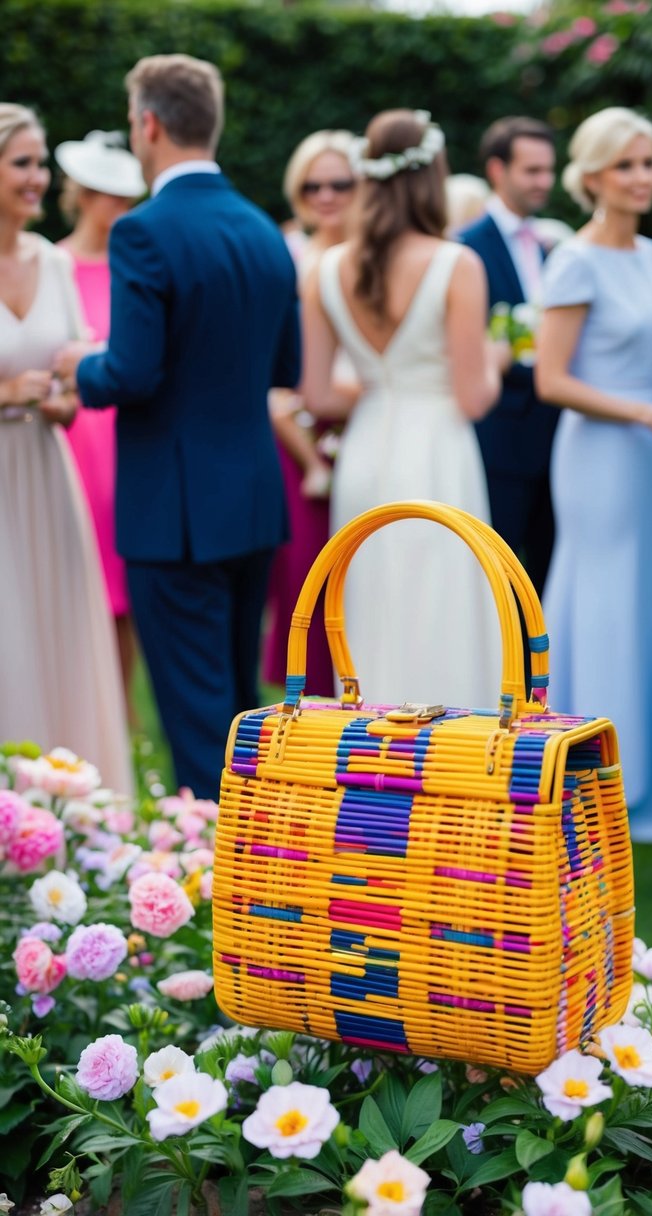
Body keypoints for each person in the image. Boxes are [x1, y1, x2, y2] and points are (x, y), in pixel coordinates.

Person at [55, 54, 300, 800]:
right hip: (254, 498)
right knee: (236, 705)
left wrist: (77, 364)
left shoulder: (144, 233)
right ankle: (261, 862)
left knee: (197, 723)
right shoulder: (262, 229)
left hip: (176, 512)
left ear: (149, 124)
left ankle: (218, 882)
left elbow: (130, 373)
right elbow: (283, 365)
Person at [534, 107, 652, 844]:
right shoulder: (572, 261)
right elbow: (552, 379)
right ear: (592, 177)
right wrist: (649, 415)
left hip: (644, 453)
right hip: (597, 458)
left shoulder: (651, 256)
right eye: (626, 165)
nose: (643, 178)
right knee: (601, 603)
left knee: (644, 598)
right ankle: (591, 783)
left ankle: (642, 787)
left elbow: (642, 358)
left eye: (648, 163)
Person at [302, 108, 503, 708]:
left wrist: (381, 384)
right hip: (439, 449)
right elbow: (474, 397)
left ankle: (372, 770)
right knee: (445, 611)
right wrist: (494, 356)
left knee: (369, 610)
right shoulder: (456, 264)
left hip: (365, 455)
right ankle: (451, 763)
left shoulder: (325, 269)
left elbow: (316, 396)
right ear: (432, 174)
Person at [0, 104, 133, 793]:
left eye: (39, 162)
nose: (37, 178)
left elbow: (71, 376)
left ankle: (70, 805)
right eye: (21, 162)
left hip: (48, 473)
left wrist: (60, 397)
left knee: (58, 636)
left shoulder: (53, 263)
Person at [262, 129, 359, 698]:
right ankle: (309, 709)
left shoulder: (378, 254)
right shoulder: (287, 253)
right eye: (312, 184)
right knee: (306, 580)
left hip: (367, 423)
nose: (325, 195)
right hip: (301, 431)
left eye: (339, 183)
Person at [55, 130, 146, 723]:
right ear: (82, 195)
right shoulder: (52, 263)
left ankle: (123, 716)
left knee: (125, 587)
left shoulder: (135, 266)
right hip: (71, 437)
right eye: (108, 195)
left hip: (125, 438)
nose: (120, 207)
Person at [458, 117, 559, 596]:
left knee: (548, 571)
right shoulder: (467, 248)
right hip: (500, 434)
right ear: (497, 170)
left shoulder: (552, 244)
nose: (544, 182)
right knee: (497, 575)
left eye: (548, 171)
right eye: (532, 171)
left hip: (557, 431)